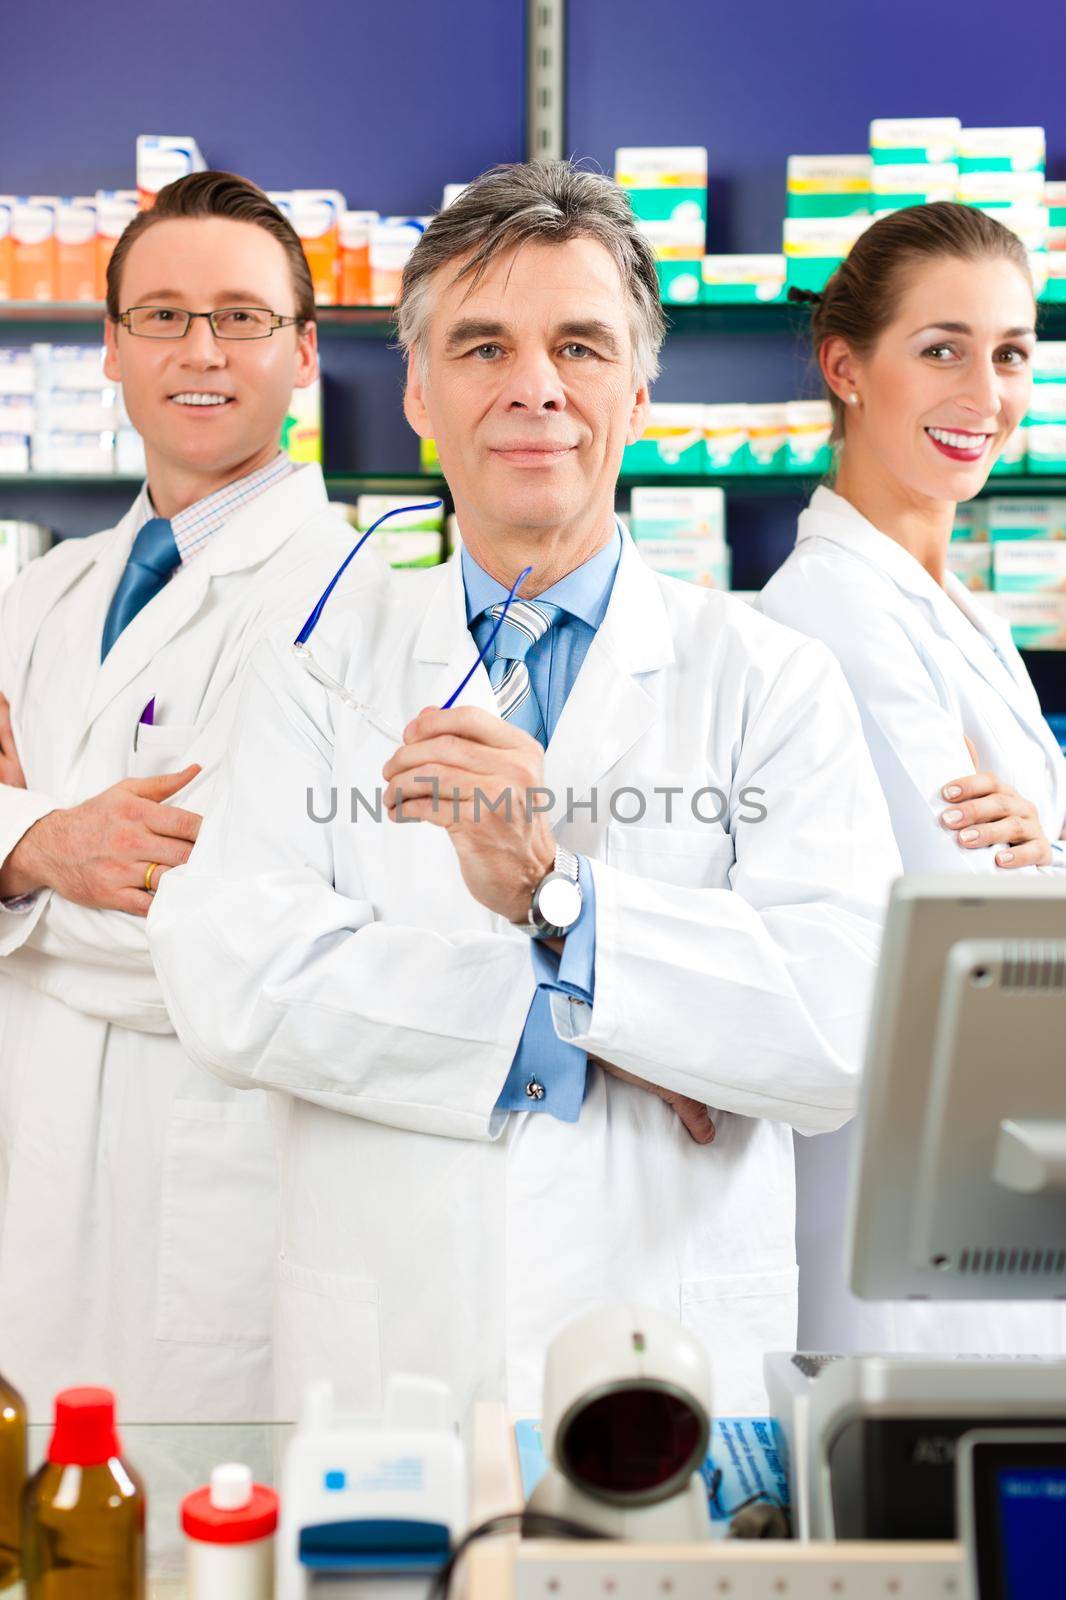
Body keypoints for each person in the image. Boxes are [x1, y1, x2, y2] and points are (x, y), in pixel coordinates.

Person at [149, 160, 900, 1423]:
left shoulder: (769, 678)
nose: (535, 387)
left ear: (641, 389)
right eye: (483, 344)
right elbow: (233, 977)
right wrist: (598, 1012)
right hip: (395, 1350)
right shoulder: (316, 674)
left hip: (674, 1346)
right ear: (422, 392)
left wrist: (558, 898)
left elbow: (841, 1026)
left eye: (581, 346)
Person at [0, 170, 385, 1420]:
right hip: (35, 1172)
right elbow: (105, 884)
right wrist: (49, 846)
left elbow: (223, 938)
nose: (201, 349)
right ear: (110, 347)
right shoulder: (43, 593)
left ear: (304, 352)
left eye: (242, 316)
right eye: (162, 316)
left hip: (212, 1187)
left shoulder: (352, 611)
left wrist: (14, 878)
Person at [759, 201, 1066, 1356]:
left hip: (997, 1187)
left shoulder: (955, 606)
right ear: (846, 366)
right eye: (940, 349)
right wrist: (1035, 849)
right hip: (909, 1239)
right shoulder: (829, 612)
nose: (982, 396)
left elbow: (1031, 873)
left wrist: (1044, 845)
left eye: (1008, 354)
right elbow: (976, 910)